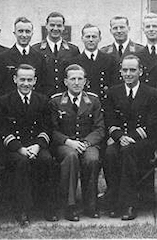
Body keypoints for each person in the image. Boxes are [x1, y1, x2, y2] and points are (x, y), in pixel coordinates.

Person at [0, 64, 58, 224]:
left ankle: (48, 207)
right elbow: (3, 130)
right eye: (22, 79)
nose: (25, 83)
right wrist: (20, 149)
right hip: (14, 148)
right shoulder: (4, 101)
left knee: (46, 160)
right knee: (21, 162)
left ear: (35, 81)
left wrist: (37, 145)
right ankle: (22, 210)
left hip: (36, 146)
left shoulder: (43, 100)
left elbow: (47, 127)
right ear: (15, 79)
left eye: (29, 80)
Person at [102, 55, 157, 220]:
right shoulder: (113, 92)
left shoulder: (151, 93)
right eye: (125, 70)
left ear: (140, 71)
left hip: (143, 140)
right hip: (120, 138)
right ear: (120, 71)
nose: (128, 73)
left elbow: (152, 124)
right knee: (110, 153)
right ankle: (114, 200)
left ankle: (128, 204)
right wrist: (120, 136)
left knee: (128, 152)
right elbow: (110, 120)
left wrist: (129, 137)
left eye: (132, 70)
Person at [48, 64, 105, 221]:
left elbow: (100, 129)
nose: (76, 82)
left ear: (85, 81)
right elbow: (51, 130)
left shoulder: (93, 101)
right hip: (65, 145)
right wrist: (69, 142)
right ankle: (70, 206)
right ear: (65, 82)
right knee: (71, 157)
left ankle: (91, 205)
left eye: (80, 79)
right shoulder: (56, 101)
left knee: (92, 159)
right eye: (73, 79)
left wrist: (86, 143)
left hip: (87, 143)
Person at [32, 12, 80, 96]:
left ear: (63, 27)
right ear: (46, 26)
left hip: (66, 98)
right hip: (43, 97)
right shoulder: (36, 49)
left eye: (59, 25)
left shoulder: (73, 50)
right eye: (52, 25)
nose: (55, 28)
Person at [0, 17, 46, 95]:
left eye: (27, 31)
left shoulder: (40, 58)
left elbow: (42, 86)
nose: (24, 35)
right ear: (14, 33)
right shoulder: (3, 57)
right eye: (20, 31)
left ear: (32, 34)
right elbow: (0, 86)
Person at [71, 23, 120, 100]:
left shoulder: (110, 60)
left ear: (100, 39)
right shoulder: (74, 61)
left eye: (94, 37)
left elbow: (114, 86)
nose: (91, 40)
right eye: (87, 37)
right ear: (82, 38)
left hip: (104, 102)